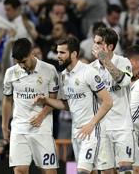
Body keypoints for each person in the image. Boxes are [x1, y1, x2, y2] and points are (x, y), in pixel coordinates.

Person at [35, 36, 113, 174]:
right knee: (92, 171)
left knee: (82, 171)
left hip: (93, 130)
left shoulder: (88, 72)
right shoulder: (64, 75)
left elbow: (108, 102)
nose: (58, 56)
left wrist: (91, 124)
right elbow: (67, 105)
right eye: (58, 52)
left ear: (74, 54)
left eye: (62, 53)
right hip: (76, 132)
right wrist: (46, 100)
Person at [2, 38, 59, 174]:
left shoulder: (49, 70)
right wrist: (4, 125)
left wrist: (41, 115)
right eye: (18, 63)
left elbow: (53, 99)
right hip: (19, 128)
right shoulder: (10, 73)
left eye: (24, 62)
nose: (22, 66)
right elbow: (7, 100)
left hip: (42, 127)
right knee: (20, 170)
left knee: (49, 171)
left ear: (32, 53)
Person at [89, 27, 134, 174]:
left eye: (99, 43)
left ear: (110, 46)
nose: (95, 46)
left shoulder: (123, 61)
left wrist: (104, 60)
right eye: (94, 42)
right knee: (106, 172)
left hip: (122, 126)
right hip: (102, 128)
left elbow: (123, 81)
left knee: (126, 170)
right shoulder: (90, 69)